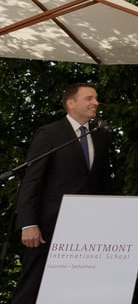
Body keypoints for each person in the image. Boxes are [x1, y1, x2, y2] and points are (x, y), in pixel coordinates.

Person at [13, 83, 113, 304]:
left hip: (88, 228)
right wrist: (28, 223)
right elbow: (32, 180)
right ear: (71, 103)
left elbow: (104, 183)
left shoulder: (100, 137)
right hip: (48, 227)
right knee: (32, 288)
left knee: (77, 289)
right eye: (89, 98)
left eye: (96, 98)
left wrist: (109, 221)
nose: (95, 103)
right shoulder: (50, 133)